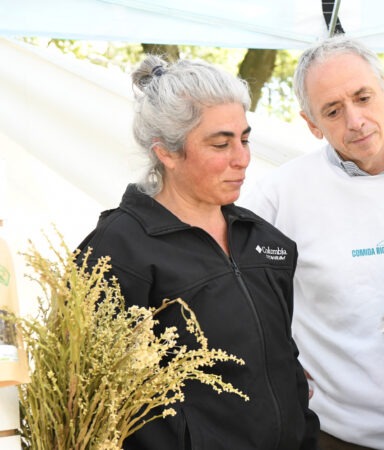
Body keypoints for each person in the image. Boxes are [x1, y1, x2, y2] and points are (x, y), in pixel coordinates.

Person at [78, 55, 319, 450]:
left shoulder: (266, 241)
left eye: (244, 139)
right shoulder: (118, 249)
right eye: (221, 144)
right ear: (167, 153)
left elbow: (284, 361)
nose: (242, 158)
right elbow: (87, 397)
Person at [240, 35, 384, 450]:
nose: (355, 120)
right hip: (334, 434)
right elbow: (231, 289)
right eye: (333, 111)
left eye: (363, 97)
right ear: (311, 123)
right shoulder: (278, 194)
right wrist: (271, 361)